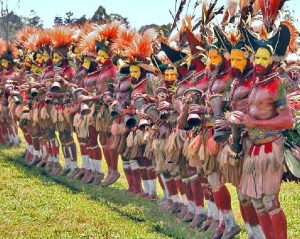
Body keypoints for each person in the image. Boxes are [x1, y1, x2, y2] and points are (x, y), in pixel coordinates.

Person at [231, 22, 295, 239]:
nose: (258, 62)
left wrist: (255, 124)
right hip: (254, 150)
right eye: (256, 57)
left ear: (273, 61)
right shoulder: (257, 83)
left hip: (270, 148)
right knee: (258, 202)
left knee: (270, 202)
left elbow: (288, 120)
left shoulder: (277, 84)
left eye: (263, 58)